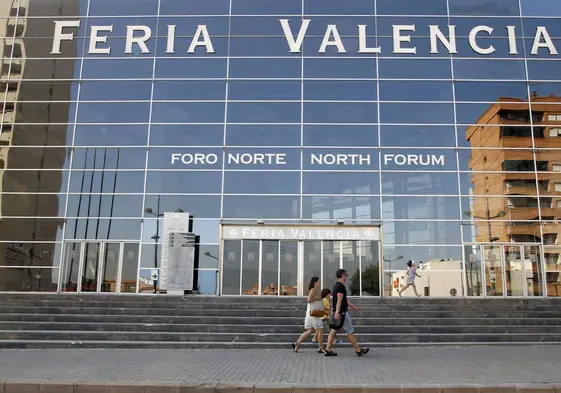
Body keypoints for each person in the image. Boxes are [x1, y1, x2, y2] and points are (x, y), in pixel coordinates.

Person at [324, 269, 369, 357]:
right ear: (342, 275)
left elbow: (344, 300)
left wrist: (353, 307)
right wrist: (338, 312)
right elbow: (339, 300)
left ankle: (328, 350)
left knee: (333, 331)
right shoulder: (340, 286)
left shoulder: (336, 286)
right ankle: (358, 350)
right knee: (349, 331)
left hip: (337, 311)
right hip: (342, 313)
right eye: (345, 274)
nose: (346, 276)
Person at [292, 277, 325, 353]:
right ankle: (320, 347)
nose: (319, 283)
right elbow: (309, 300)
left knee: (310, 330)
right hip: (313, 313)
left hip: (311, 312)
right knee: (320, 328)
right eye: (318, 282)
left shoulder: (314, 290)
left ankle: (297, 344)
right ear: (315, 283)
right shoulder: (313, 290)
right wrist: (318, 299)